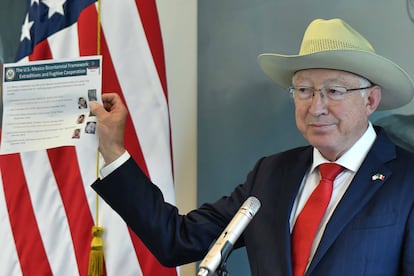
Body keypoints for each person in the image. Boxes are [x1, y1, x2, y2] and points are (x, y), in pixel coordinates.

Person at [89, 18, 414, 276]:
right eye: (304, 90)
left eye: (335, 91)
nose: (316, 107)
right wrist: (113, 150)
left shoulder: (407, 180)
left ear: (370, 100)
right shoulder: (271, 175)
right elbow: (176, 240)